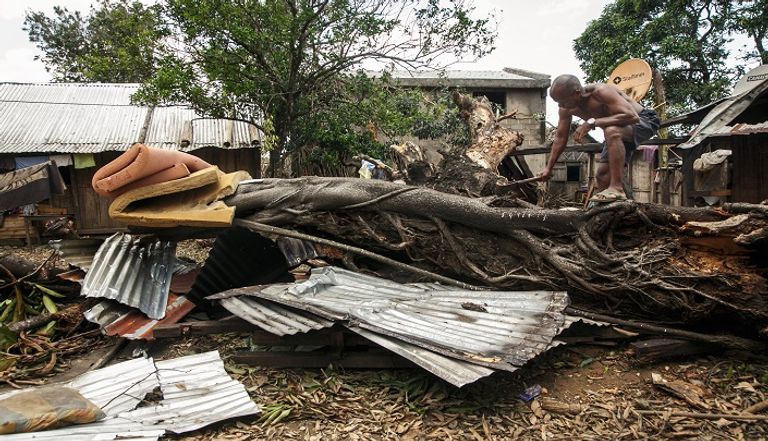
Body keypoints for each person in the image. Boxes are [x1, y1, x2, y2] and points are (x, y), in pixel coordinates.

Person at [538, 74, 660, 201]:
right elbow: (560, 138)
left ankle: (617, 188)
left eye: (563, 101)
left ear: (577, 93)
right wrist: (549, 168)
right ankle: (610, 211)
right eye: (557, 102)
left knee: (611, 131)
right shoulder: (565, 109)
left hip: (644, 120)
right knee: (602, 175)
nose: (560, 105)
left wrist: (592, 123)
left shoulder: (601, 92)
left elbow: (632, 116)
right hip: (617, 131)